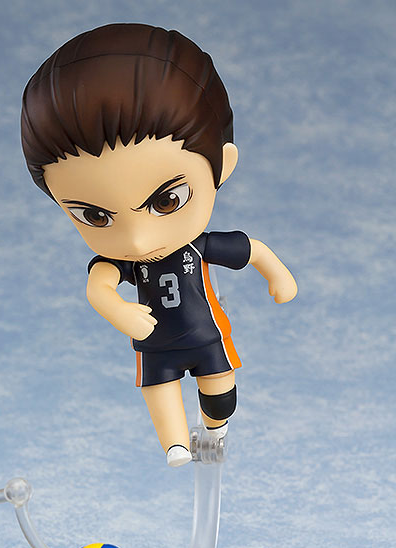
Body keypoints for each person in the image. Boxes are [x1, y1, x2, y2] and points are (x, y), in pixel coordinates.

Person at [21, 23, 297, 467]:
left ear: (221, 165)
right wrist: (119, 311)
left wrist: (278, 276)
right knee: (159, 388)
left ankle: (215, 427)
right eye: (95, 216)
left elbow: (253, 250)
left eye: (167, 201)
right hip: (155, 343)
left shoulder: (198, 247)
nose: (137, 240)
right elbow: (98, 287)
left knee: (220, 394)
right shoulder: (122, 262)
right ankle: (175, 444)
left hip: (207, 335)